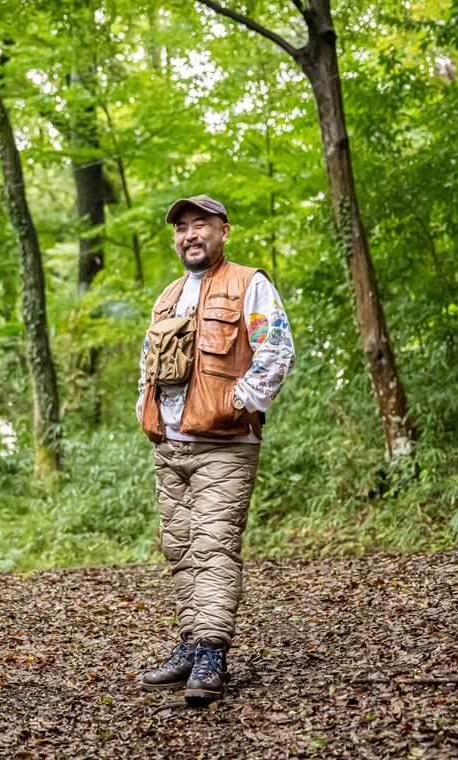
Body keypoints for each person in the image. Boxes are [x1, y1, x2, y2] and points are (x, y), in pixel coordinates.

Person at [136, 195, 295, 706]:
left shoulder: (250, 284)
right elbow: (148, 363)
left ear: (223, 231)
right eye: (181, 227)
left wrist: (238, 402)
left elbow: (276, 348)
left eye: (199, 224)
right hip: (171, 446)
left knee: (213, 546)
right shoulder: (168, 297)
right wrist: (146, 407)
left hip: (225, 444)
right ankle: (189, 644)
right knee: (179, 548)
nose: (189, 235)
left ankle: (211, 653)